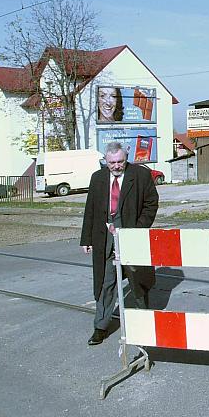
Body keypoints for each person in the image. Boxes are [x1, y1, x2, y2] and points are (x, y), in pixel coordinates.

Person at [80, 141, 158, 346]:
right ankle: (100, 327)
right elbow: (90, 210)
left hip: (132, 236)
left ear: (126, 158)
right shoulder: (97, 178)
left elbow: (151, 204)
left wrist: (137, 230)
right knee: (105, 284)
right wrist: (86, 238)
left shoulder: (140, 175)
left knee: (137, 282)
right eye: (112, 162)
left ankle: (144, 325)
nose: (116, 166)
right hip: (104, 239)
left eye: (120, 161)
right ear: (106, 160)